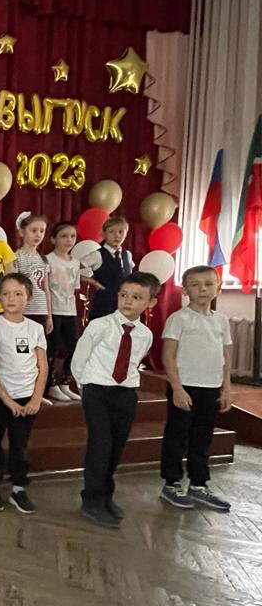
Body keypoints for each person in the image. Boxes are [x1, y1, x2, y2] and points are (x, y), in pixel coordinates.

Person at [72, 272, 158, 527]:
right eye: (124, 295)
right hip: (97, 390)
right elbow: (80, 358)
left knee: (116, 446)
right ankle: (92, 500)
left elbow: (134, 361)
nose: (128, 301)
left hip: (126, 393)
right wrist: (85, 387)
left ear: (150, 303)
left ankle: (106, 496)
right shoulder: (100, 326)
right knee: (100, 445)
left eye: (137, 297)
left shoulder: (145, 334)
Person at [158, 265, 233, 511]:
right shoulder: (179, 319)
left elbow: (225, 355)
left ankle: (198, 484)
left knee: (203, 437)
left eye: (208, 284)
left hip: (211, 387)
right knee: (177, 436)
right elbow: (168, 355)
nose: (202, 289)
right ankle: (171, 483)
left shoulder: (221, 321)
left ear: (218, 288)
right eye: (195, 284)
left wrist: (226, 388)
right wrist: (177, 388)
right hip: (186, 387)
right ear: (185, 290)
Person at [0, 273, 47, 515]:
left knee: (20, 445)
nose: (11, 298)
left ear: (28, 298)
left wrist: (36, 398)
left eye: (18, 294)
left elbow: (43, 366)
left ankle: (18, 487)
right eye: (6, 293)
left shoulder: (36, 328)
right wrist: (7, 400)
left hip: (26, 398)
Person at [46, 221, 83, 402]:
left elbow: (74, 288)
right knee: (52, 349)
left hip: (70, 311)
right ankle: (51, 385)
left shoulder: (75, 263)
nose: (69, 240)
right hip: (54, 311)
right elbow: (45, 288)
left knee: (74, 347)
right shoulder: (48, 260)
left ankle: (65, 383)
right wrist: (48, 315)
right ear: (53, 239)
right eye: (64, 236)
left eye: (72, 236)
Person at [83, 216, 134, 321]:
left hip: (122, 308)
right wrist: (92, 281)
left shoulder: (127, 255)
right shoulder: (97, 255)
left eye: (121, 232)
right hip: (103, 308)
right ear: (103, 234)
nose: (117, 236)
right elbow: (71, 268)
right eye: (111, 232)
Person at [13, 212, 52, 332]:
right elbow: (14, 287)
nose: (38, 235)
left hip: (41, 311)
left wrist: (49, 316)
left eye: (42, 231)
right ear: (22, 232)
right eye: (33, 230)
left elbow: (46, 289)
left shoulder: (43, 259)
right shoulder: (17, 257)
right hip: (25, 311)